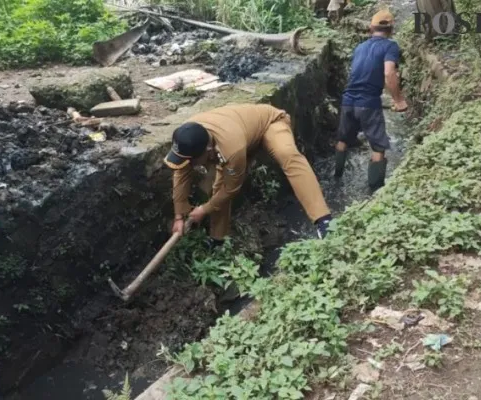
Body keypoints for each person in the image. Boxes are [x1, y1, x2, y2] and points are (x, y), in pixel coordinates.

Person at [164, 104, 334, 245]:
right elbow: (181, 171)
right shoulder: (186, 136)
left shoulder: (231, 149)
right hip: (240, 133)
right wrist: (179, 215)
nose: (191, 165)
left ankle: (323, 221)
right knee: (216, 189)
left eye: (194, 161)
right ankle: (217, 240)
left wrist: (203, 209)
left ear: (206, 151)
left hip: (270, 123)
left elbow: (230, 189)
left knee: (287, 154)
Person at [334, 9, 407, 192]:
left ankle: (337, 177)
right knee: (378, 147)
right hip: (369, 104)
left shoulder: (359, 47)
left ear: (370, 28)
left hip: (348, 101)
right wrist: (399, 100)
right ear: (391, 29)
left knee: (343, 139)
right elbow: (389, 73)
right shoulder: (390, 46)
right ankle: (374, 193)